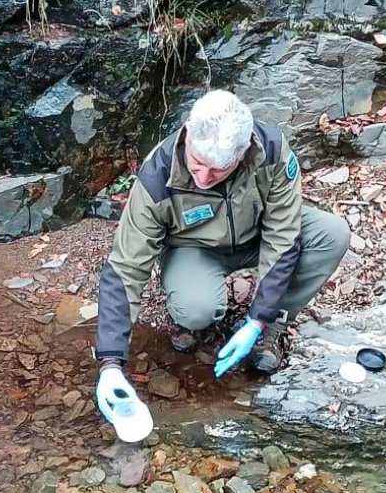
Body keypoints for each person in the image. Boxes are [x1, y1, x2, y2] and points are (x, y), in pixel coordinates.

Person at [93, 90, 351, 425]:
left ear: (243, 152)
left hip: (258, 235)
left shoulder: (271, 151)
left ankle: (273, 327)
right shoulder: (157, 174)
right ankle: (191, 321)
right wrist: (111, 364)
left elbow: (283, 236)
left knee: (332, 234)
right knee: (196, 308)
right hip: (194, 248)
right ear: (187, 132)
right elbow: (125, 266)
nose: (203, 178)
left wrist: (258, 320)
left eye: (218, 171)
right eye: (197, 164)